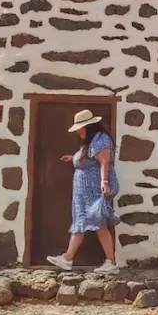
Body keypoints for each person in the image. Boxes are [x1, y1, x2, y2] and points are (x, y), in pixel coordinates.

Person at [47, 108, 120, 273]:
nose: (78, 131)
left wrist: (104, 182)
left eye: (79, 128)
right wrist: (73, 158)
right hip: (84, 193)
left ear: (88, 126)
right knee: (81, 223)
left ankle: (110, 262)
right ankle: (68, 258)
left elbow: (104, 162)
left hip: (93, 191)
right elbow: (89, 159)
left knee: (99, 224)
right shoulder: (92, 141)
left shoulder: (101, 140)